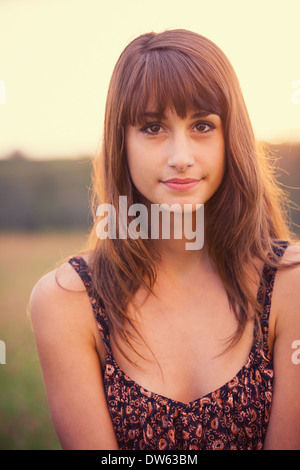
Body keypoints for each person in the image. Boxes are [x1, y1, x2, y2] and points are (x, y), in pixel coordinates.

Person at [29, 29, 300, 450]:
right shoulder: (66, 302)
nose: (181, 156)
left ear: (233, 139)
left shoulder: (290, 284)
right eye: (153, 127)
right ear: (122, 142)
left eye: (203, 125)